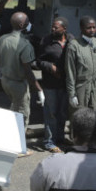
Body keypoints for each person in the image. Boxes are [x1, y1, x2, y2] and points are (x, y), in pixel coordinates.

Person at [0, 11, 44, 127]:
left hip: (5, 80)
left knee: (14, 108)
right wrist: (39, 90)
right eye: (27, 22)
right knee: (22, 116)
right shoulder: (25, 45)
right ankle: (18, 141)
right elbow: (28, 71)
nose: (29, 23)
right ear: (22, 25)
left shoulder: (3, 39)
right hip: (18, 85)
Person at [36, 17, 74, 152]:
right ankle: (49, 142)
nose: (53, 29)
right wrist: (51, 67)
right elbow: (39, 61)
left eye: (56, 27)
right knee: (51, 113)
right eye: (52, 27)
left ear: (64, 29)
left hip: (65, 84)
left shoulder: (71, 40)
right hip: (50, 84)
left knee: (62, 113)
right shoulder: (46, 41)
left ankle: (60, 139)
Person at [65, 16, 96, 113]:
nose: (92, 30)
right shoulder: (74, 45)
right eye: (88, 27)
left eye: (94, 27)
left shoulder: (95, 42)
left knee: (92, 116)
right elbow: (70, 72)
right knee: (79, 116)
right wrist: (72, 94)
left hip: (93, 87)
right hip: (81, 88)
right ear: (81, 28)